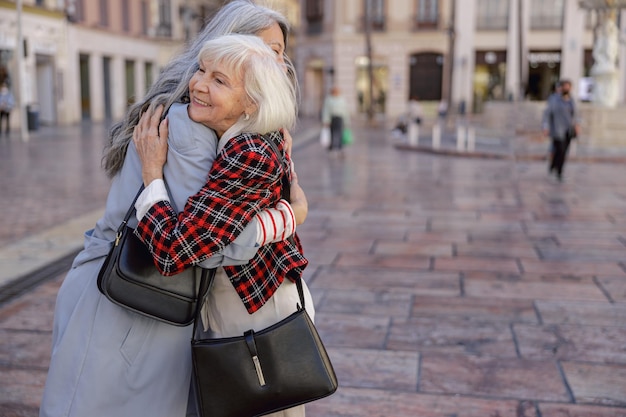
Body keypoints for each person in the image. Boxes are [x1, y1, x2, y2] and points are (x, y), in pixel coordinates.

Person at [39, 2, 308, 417]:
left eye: (279, 52)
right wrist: (286, 218)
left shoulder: (217, 122)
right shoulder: (193, 128)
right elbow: (199, 245)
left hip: (116, 287)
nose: (275, 62)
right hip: (133, 303)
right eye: (263, 49)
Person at [133, 34, 311, 417]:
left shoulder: (249, 152)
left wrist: (151, 174)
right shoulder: (255, 136)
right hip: (249, 307)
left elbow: (170, 250)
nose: (197, 84)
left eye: (219, 80)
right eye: (201, 69)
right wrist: (288, 216)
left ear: (252, 103)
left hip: (255, 317)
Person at [542, 79, 580, 182]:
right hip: (557, 130)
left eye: (569, 86)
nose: (567, 88)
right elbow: (547, 114)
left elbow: (575, 114)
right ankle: (558, 171)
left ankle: (554, 167)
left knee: (563, 151)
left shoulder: (572, 100)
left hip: (568, 131)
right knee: (560, 150)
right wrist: (545, 127)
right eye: (565, 86)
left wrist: (577, 125)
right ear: (562, 87)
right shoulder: (554, 99)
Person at [321, 85, 350, 154]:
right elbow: (326, 110)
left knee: (340, 133)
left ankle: (340, 148)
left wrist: (347, 121)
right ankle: (331, 148)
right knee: (331, 133)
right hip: (332, 118)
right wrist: (326, 120)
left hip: (340, 118)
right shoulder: (329, 99)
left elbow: (345, 111)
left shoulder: (342, 99)